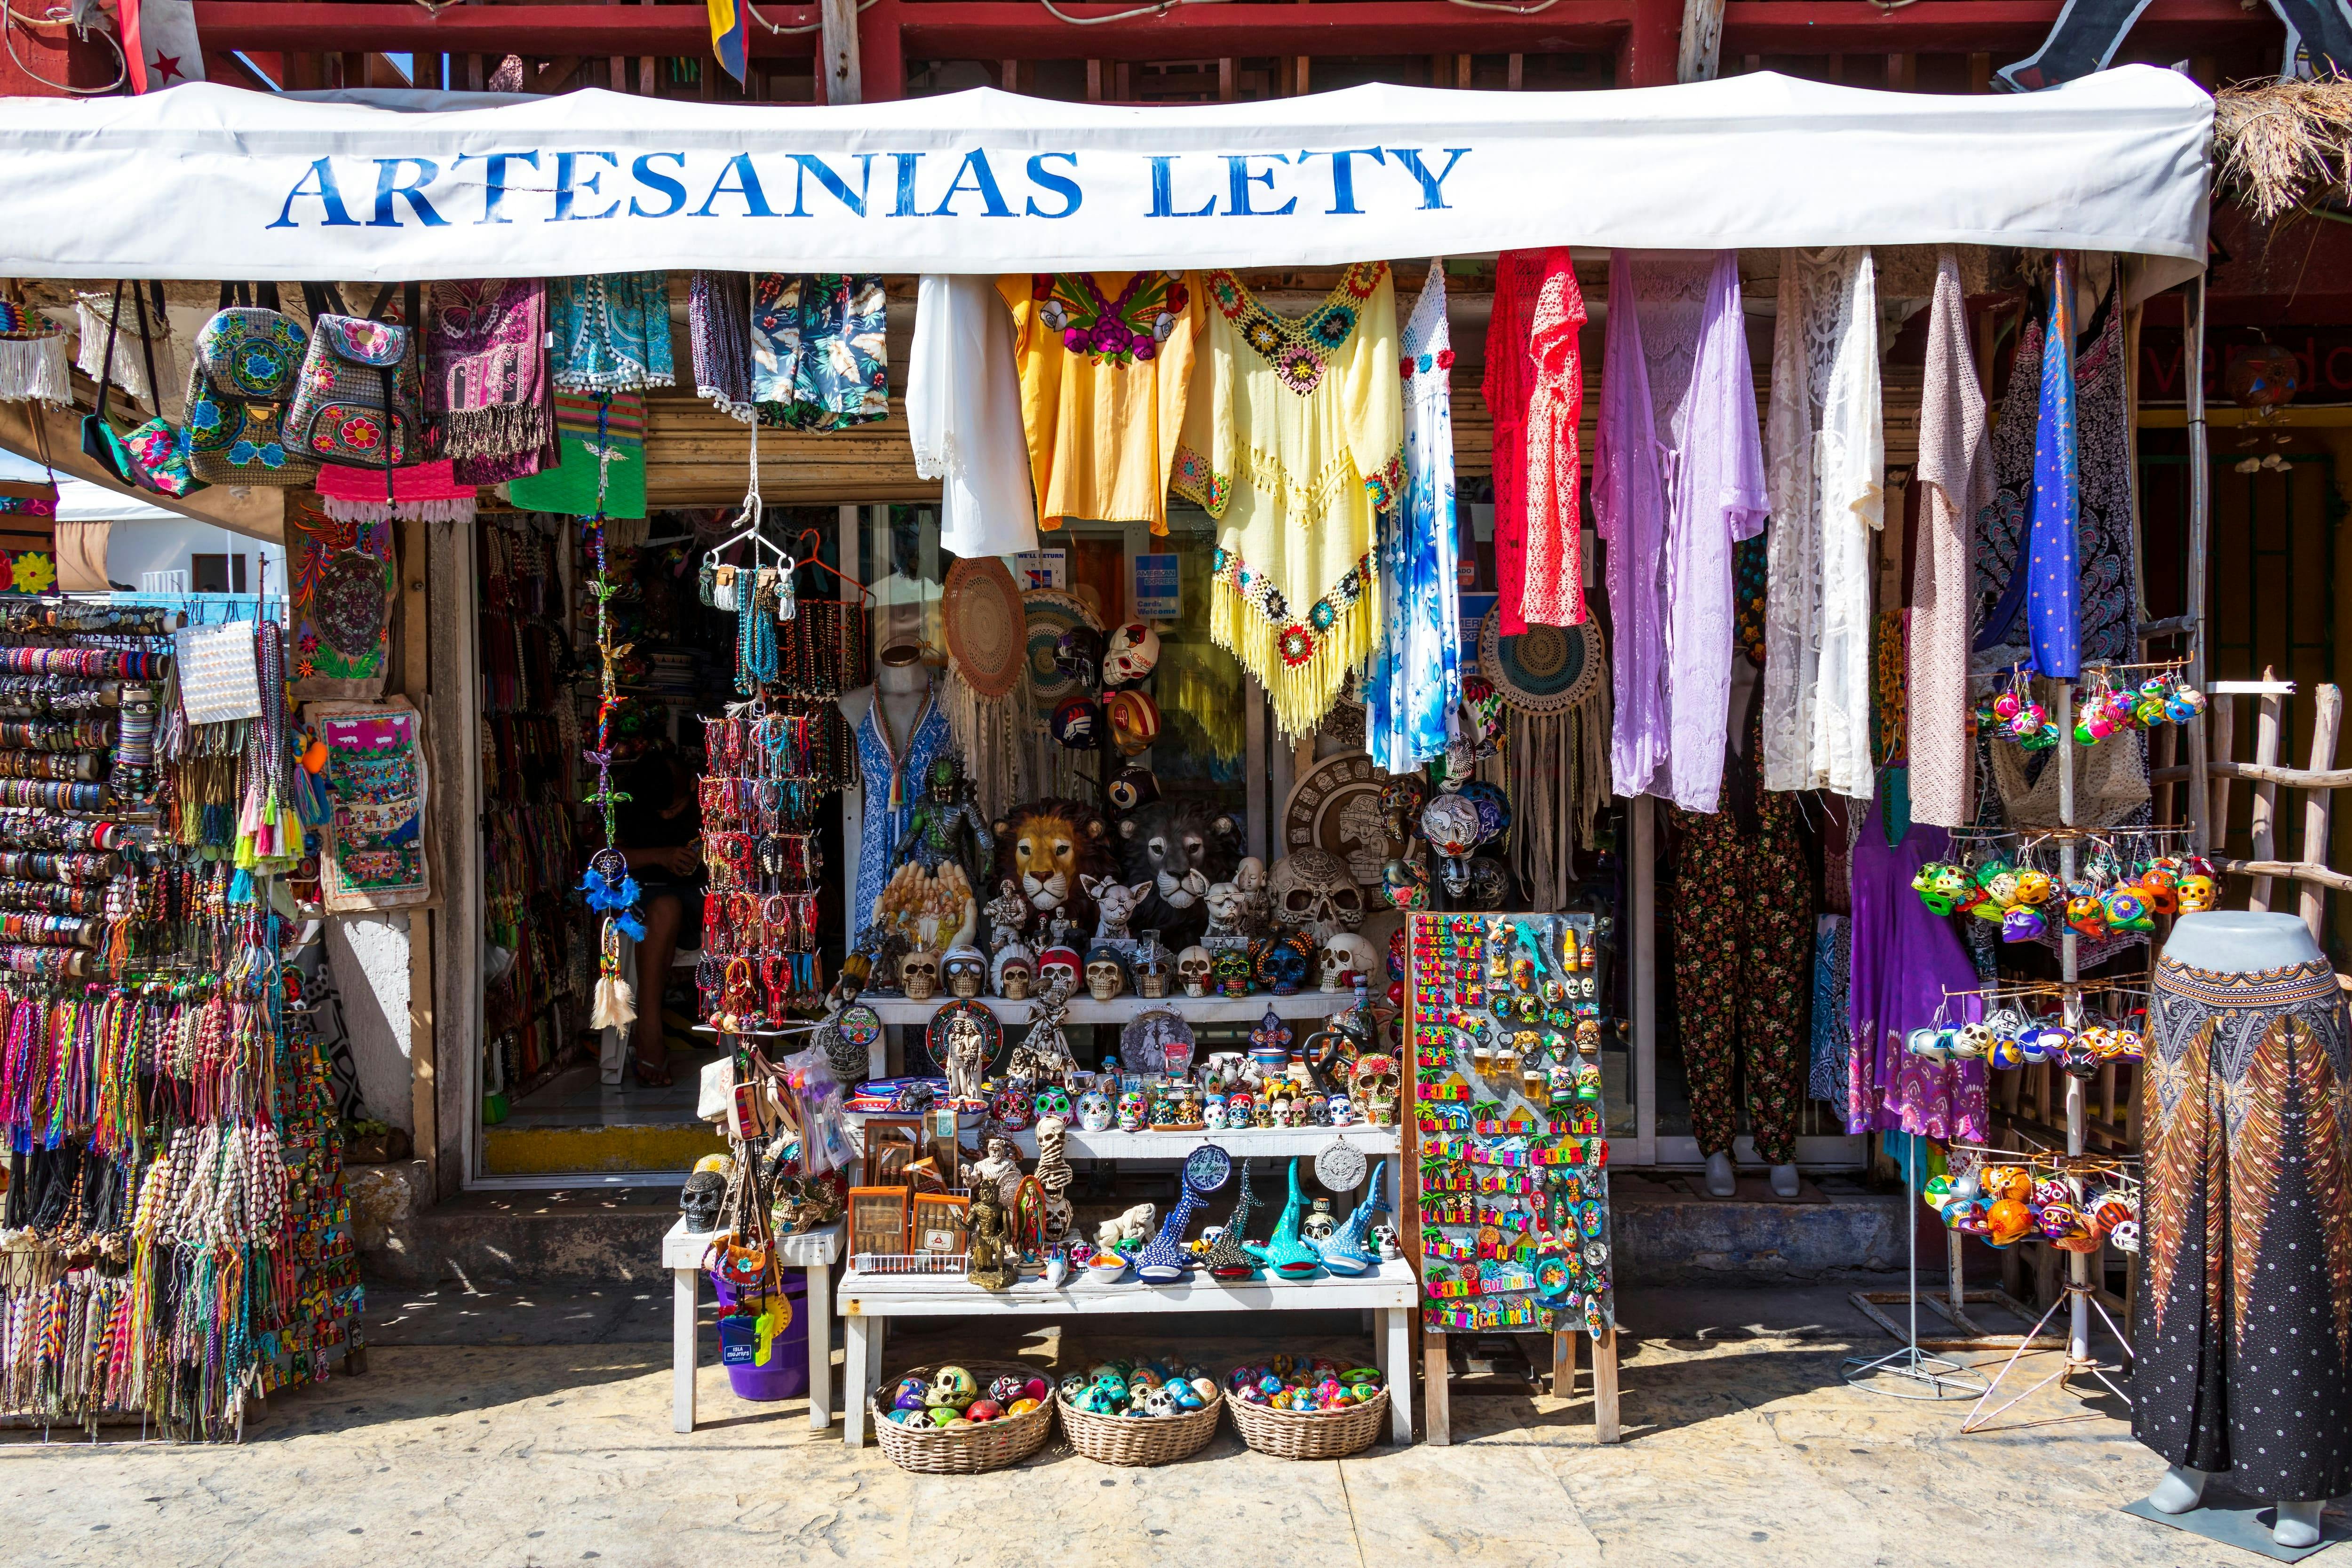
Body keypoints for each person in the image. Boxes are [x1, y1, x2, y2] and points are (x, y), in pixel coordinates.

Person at [613, 744, 701, 1087]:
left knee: (674, 906)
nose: (667, 816)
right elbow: (604, 857)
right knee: (663, 908)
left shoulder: (708, 798)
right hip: (647, 898)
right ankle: (650, 1025)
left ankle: (650, 1029)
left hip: (697, 898)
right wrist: (661, 856)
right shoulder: (630, 801)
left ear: (691, 786)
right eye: (659, 810)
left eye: (674, 808)